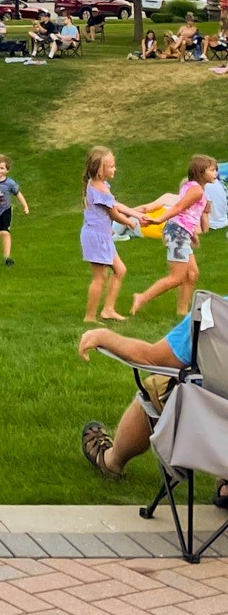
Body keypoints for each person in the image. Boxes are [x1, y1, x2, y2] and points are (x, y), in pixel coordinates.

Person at [78, 310, 226, 507]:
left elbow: (153, 359)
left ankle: (111, 461)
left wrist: (104, 337)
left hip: (213, 437)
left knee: (159, 386)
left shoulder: (214, 313)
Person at [132, 156, 217, 317]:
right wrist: (158, 219)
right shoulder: (196, 190)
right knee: (177, 277)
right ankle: (142, 297)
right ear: (201, 172)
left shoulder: (193, 187)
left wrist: (191, 234)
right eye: (212, 170)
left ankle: (182, 313)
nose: (215, 174)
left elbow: (188, 214)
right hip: (177, 232)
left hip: (182, 232)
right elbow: (178, 207)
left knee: (192, 274)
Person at [82, 147, 143, 322]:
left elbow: (114, 204)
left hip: (101, 235)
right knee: (100, 277)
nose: (114, 169)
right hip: (96, 237)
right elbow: (114, 214)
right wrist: (130, 221)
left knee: (120, 270)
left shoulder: (100, 184)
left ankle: (108, 310)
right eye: (111, 166)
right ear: (100, 170)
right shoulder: (100, 189)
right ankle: (90, 316)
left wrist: (136, 213)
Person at [0, 153, 30, 265]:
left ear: (7, 170)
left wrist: (25, 206)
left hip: (5, 210)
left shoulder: (10, 183)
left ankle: (7, 257)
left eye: (2, 168)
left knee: (5, 232)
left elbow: (18, 194)